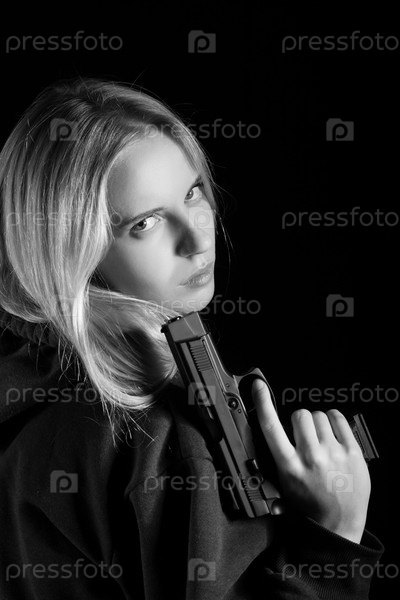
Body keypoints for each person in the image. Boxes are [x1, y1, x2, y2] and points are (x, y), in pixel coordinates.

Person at [0, 78, 384, 599]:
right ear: (74, 249)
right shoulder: (163, 437)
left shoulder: (29, 386)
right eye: (145, 222)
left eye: (192, 192)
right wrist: (333, 538)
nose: (198, 238)